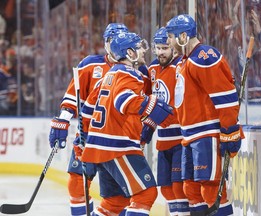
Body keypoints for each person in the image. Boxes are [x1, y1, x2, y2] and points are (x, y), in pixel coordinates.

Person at [79, 31, 174, 216]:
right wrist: (150, 104)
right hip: (118, 145)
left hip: (100, 146)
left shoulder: (108, 76)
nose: (143, 51)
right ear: (129, 53)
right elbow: (123, 101)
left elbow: (87, 110)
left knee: (116, 200)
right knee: (146, 194)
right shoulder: (130, 73)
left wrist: (82, 142)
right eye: (138, 47)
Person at [165, 14, 244, 215]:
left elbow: (225, 97)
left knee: (211, 190)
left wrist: (229, 130)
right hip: (190, 136)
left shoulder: (204, 56)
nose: (170, 42)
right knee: (190, 189)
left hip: (206, 134)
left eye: (172, 37)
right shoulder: (185, 61)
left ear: (183, 36)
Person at [48, 23, 129, 216]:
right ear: (106, 42)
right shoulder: (90, 64)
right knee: (77, 183)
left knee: (122, 192)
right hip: (88, 137)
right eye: (111, 40)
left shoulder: (134, 68)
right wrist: (64, 120)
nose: (115, 44)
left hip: (118, 140)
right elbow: (72, 97)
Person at [147, 26, 189, 215]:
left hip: (180, 138)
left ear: (173, 47)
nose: (160, 52)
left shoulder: (181, 66)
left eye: (164, 47)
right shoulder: (152, 69)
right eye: (158, 47)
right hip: (162, 140)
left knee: (180, 187)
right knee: (165, 188)